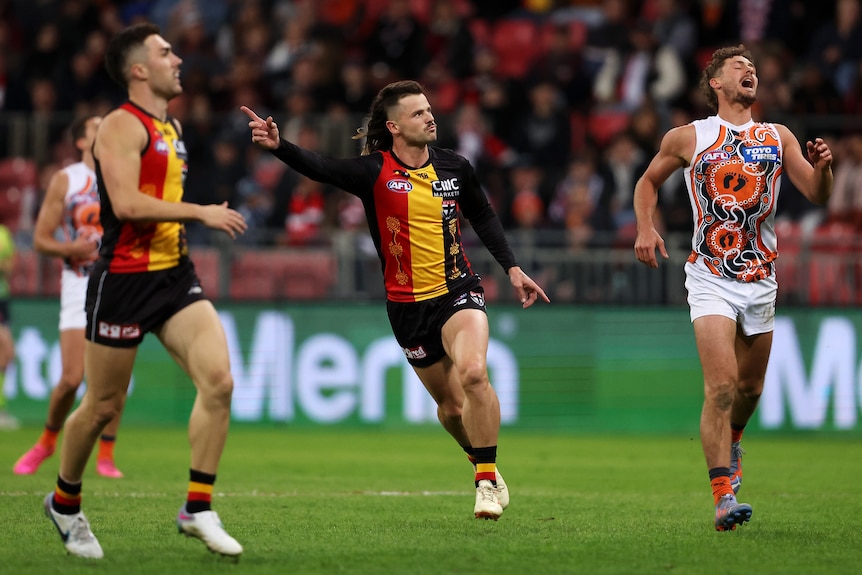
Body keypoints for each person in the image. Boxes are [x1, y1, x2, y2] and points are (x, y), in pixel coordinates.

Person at [241, 79, 550, 521]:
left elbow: (481, 213)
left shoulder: (456, 168)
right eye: (418, 113)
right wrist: (279, 146)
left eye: (429, 109)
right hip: (407, 306)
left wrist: (513, 268)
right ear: (395, 127)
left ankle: (484, 482)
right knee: (449, 409)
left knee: (475, 373)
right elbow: (321, 166)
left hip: (458, 290)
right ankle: (485, 463)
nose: (430, 117)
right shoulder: (374, 171)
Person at [43, 22, 247, 559]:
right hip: (125, 280)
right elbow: (128, 205)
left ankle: (197, 507)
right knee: (104, 406)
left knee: (220, 382)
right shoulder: (118, 125)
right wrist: (200, 211)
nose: (177, 59)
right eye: (165, 52)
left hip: (175, 275)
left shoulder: (172, 127)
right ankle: (65, 504)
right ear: (139, 69)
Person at [633, 45, 833, 531]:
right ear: (716, 84)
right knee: (720, 387)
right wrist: (645, 226)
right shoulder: (689, 136)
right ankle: (723, 496)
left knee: (750, 387)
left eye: (754, 68)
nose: (750, 72)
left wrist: (824, 167)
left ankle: (735, 439)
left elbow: (816, 193)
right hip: (709, 276)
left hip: (760, 278)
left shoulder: (777, 136)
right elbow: (647, 181)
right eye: (738, 67)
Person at [14, 115, 127, 478]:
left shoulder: (123, 174)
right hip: (79, 283)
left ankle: (106, 455)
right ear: (81, 141)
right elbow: (40, 238)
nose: (104, 132)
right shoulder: (68, 180)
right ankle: (46, 441)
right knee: (71, 378)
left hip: (118, 281)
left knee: (115, 380)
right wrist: (70, 247)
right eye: (97, 128)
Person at [0, 223, 18, 431]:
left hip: (2, 299)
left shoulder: (4, 233)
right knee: (6, 348)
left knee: (7, 353)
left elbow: (10, 267)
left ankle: (1, 408)